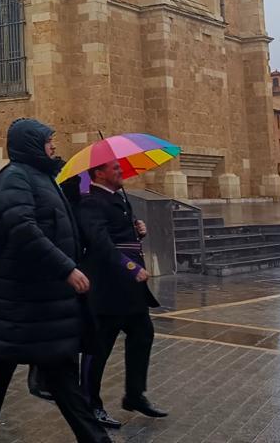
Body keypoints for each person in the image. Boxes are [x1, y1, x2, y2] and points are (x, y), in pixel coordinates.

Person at [0, 118, 111, 443]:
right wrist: (66, 268)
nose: (53, 146)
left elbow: (58, 223)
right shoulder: (15, 178)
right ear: (30, 144)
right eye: (47, 141)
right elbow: (23, 229)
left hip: (43, 306)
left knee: (63, 383)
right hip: (18, 304)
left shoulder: (43, 177)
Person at [79, 160, 167, 429]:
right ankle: (90, 405)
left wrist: (137, 232)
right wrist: (130, 266)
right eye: (115, 168)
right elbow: (100, 242)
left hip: (128, 290)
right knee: (98, 348)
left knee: (143, 333)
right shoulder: (91, 202)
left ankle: (134, 394)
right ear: (99, 173)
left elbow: (120, 237)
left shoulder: (117, 199)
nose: (121, 172)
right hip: (108, 288)